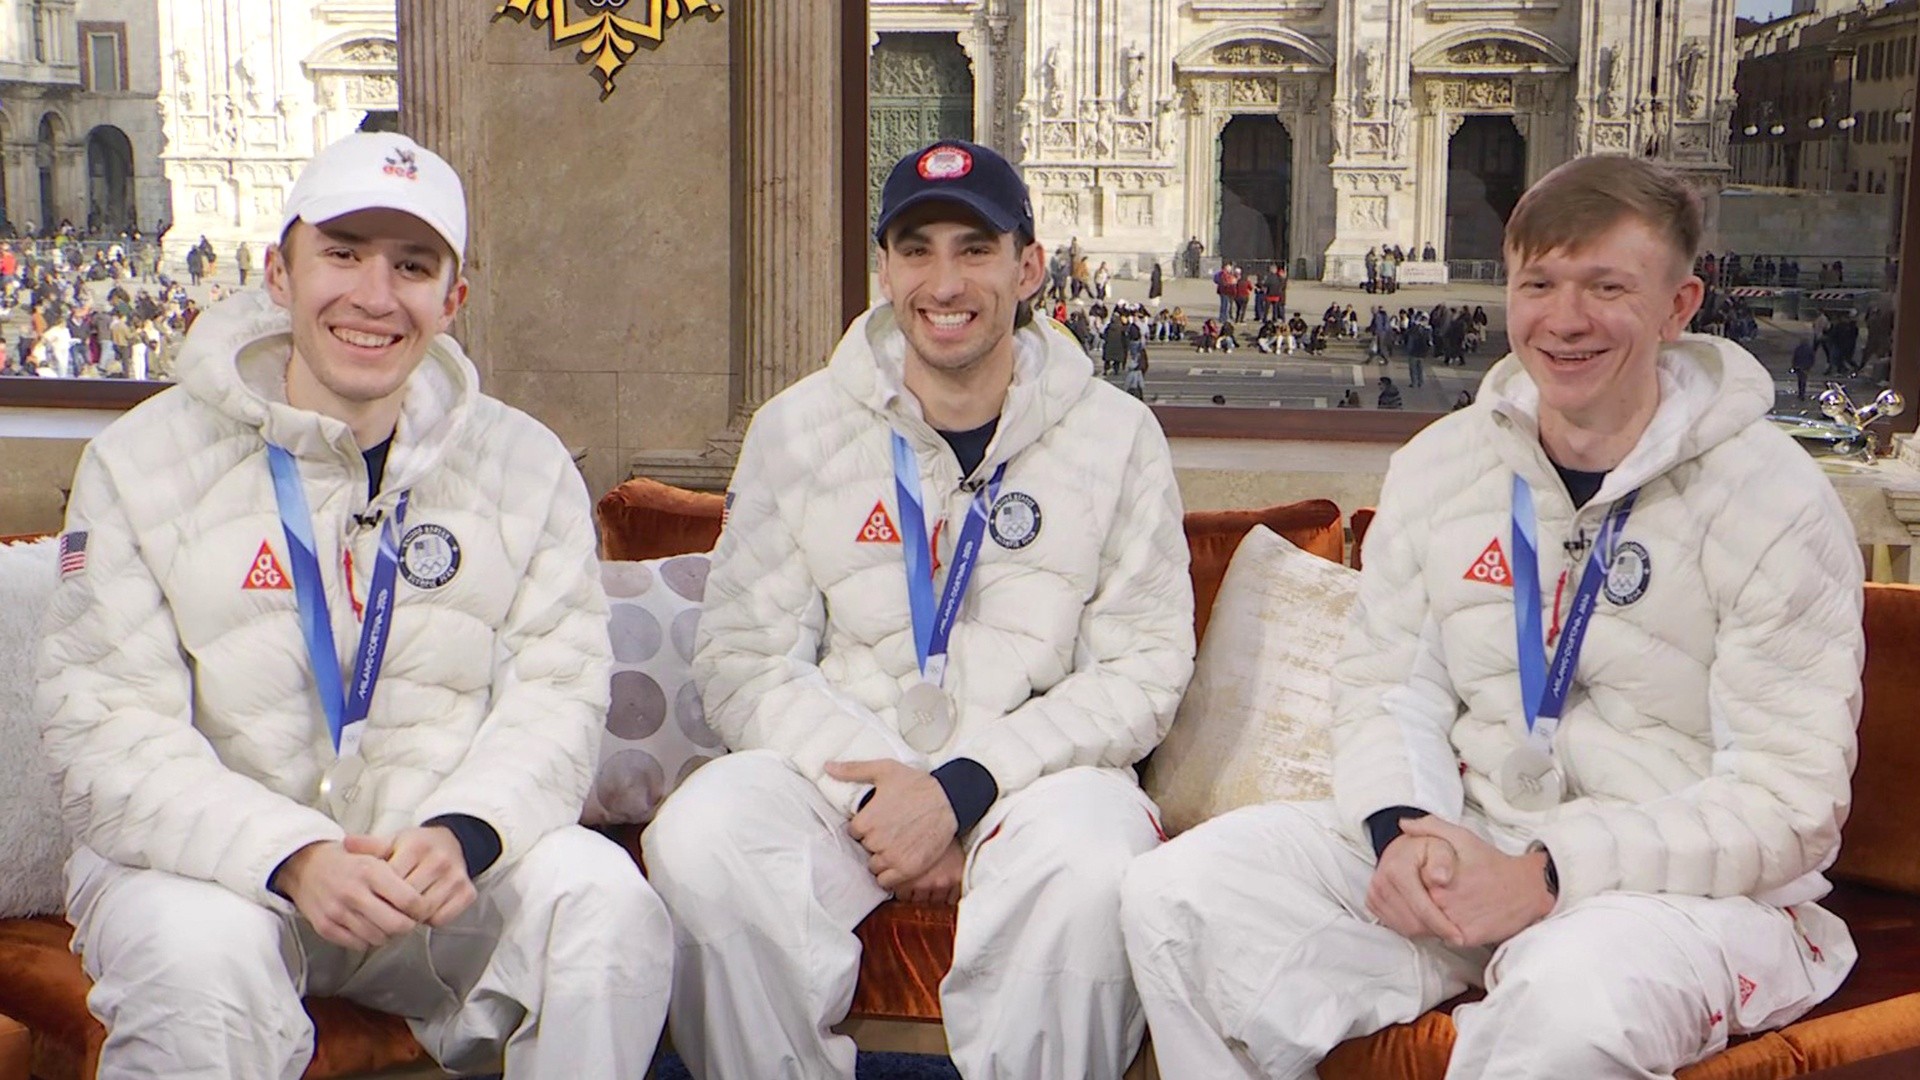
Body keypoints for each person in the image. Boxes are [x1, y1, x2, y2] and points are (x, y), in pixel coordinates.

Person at [1122, 153, 1861, 1080]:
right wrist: (1402, 829)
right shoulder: (1443, 465)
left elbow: (1792, 805)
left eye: (1606, 287)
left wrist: (1550, 872)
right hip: (1472, 835)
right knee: (1179, 896)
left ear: (1680, 306)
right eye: (1540, 283)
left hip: (1680, 886)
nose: (1565, 319)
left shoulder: (1775, 502)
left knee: (1571, 1003)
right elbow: (1388, 689)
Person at [36, 132, 673, 1078]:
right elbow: (109, 727)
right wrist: (289, 853)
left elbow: (558, 690)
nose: (375, 296)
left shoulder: (525, 464)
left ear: (451, 300)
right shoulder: (139, 462)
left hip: (438, 870)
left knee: (605, 903)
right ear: (279, 271)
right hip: (218, 873)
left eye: (412, 266)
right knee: (194, 962)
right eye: (341, 253)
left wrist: (469, 830)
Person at [642, 138, 1195, 1080]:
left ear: (1028, 267)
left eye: (974, 249)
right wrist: (882, 797)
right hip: (847, 775)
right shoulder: (797, 428)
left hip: (1038, 779)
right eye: (918, 248)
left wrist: (960, 790)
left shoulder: (1117, 436)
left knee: (1092, 865)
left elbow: (1141, 672)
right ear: (885, 269)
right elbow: (743, 660)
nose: (946, 281)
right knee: (701, 835)